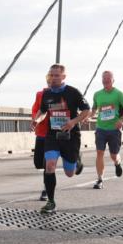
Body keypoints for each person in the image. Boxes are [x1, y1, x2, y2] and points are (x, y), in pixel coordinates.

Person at [35, 63, 91, 214]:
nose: (53, 78)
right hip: (52, 135)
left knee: (69, 173)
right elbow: (43, 110)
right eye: (51, 75)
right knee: (50, 165)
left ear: (63, 77)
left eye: (57, 75)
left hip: (70, 136)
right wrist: (37, 119)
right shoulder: (47, 94)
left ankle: (77, 160)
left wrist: (73, 122)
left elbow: (86, 110)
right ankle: (51, 202)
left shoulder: (73, 92)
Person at [90, 70, 123, 189]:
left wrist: (121, 120)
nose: (106, 80)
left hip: (114, 129)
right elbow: (94, 110)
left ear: (113, 80)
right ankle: (100, 179)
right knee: (99, 152)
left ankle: (117, 162)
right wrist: (88, 116)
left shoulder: (118, 94)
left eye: (108, 78)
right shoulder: (97, 94)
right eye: (104, 78)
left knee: (113, 155)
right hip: (101, 128)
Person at [31, 73, 52, 201]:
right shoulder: (40, 94)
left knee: (48, 163)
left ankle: (46, 189)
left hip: (54, 134)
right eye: (49, 81)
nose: (52, 83)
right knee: (38, 163)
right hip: (41, 132)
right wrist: (35, 120)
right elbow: (36, 110)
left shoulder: (62, 94)